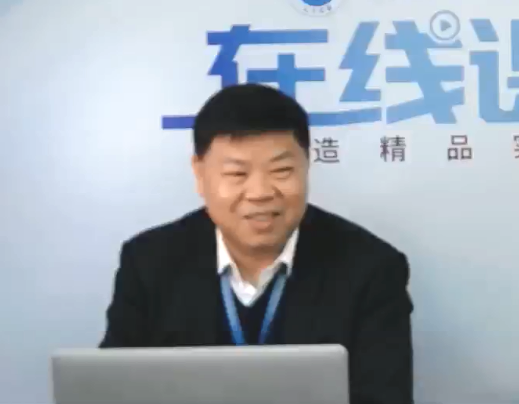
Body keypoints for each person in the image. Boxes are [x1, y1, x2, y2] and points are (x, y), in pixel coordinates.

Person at [100, 83, 414, 404]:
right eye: (237, 174)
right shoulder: (149, 264)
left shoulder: (371, 270)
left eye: (282, 170)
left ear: (307, 165)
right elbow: (113, 392)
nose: (260, 192)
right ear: (199, 174)